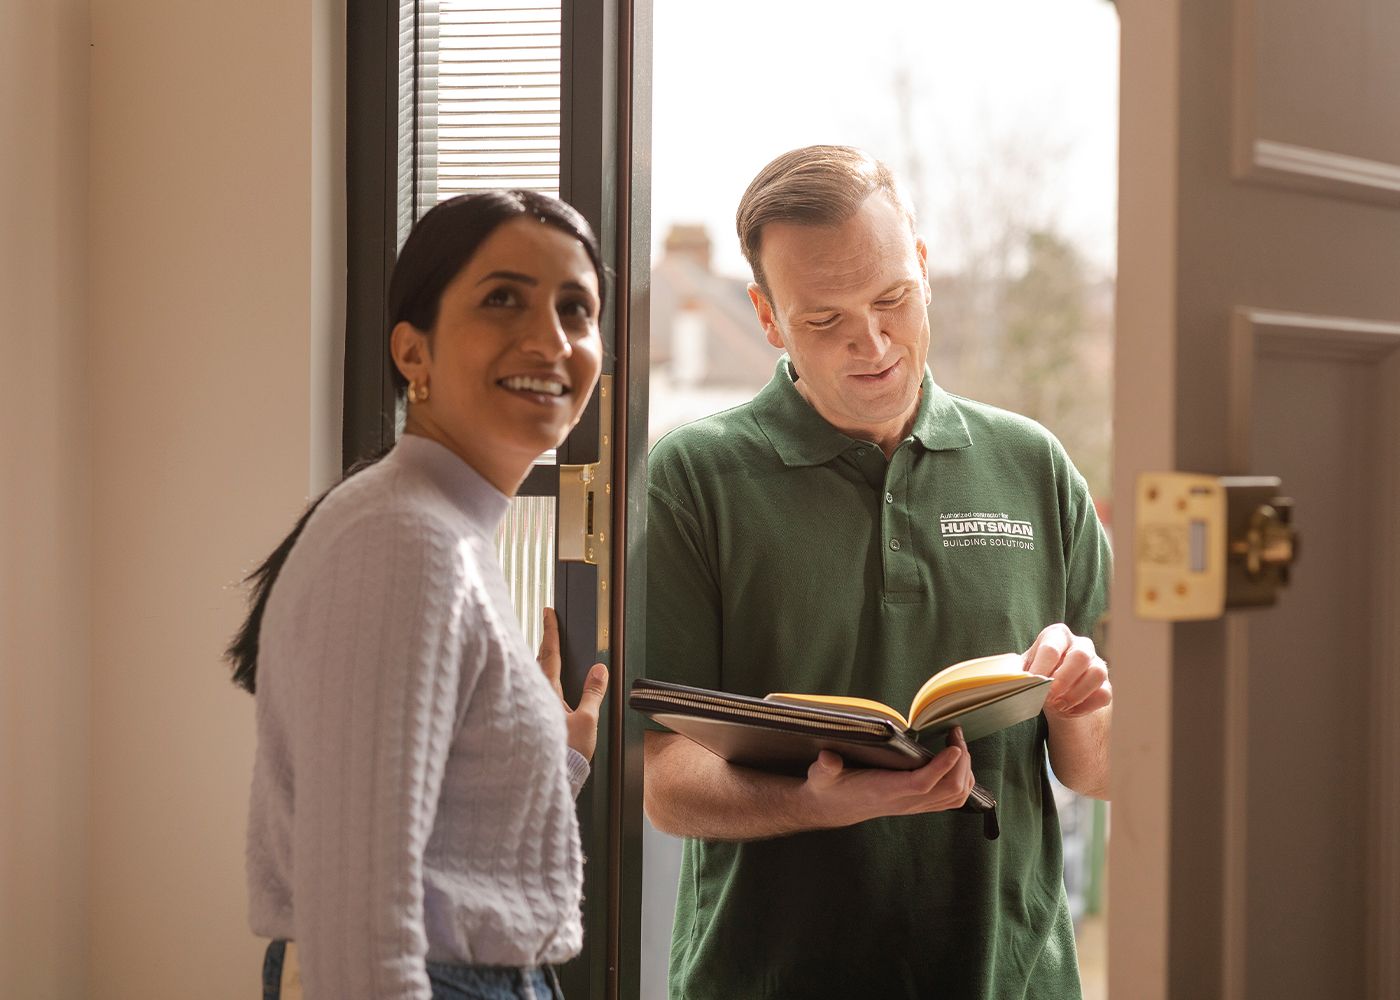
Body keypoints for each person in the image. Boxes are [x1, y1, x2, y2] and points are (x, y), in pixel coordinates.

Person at [642, 146, 1112, 999]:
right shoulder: (693, 479)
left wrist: (1081, 706)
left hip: (1008, 979)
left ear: (924, 269)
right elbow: (666, 782)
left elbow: (1108, 767)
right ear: (768, 316)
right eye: (824, 319)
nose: (874, 340)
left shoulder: (1033, 465)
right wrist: (813, 806)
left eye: (892, 297)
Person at [229, 190, 611, 1000]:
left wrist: (550, 757)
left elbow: (435, 843)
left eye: (576, 309)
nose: (550, 339)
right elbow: (360, 922)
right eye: (503, 298)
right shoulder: (402, 542)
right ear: (414, 352)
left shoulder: (438, 527)